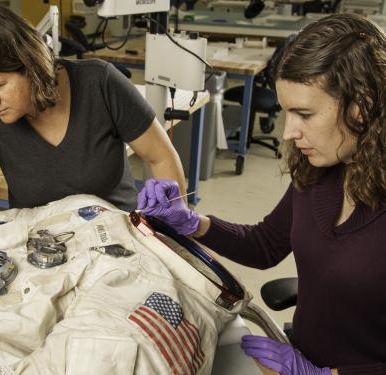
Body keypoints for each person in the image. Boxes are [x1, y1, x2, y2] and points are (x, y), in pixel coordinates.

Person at [137, 13, 386, 375]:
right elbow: (266, 244)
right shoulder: (323, 169)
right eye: (288, 114)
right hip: (299, 359)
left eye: (304, 114)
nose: (289, 133)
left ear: (360, 105)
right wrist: (192, 224)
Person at [0, 6, 186, 260]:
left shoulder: (100, 84)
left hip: (116, 241)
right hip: (42, 250)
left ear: (32, 67)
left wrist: (172, 230)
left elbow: (161, 157)